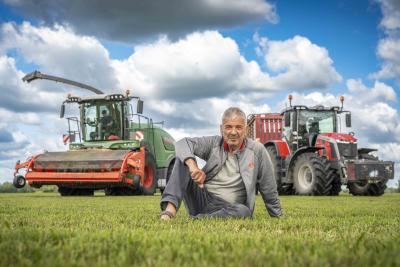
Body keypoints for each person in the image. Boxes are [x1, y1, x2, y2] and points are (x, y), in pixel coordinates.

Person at [160, 107, 282, 220]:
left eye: (238, 127)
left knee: (243, 211)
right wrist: (193, 166)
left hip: (230, 208)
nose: (233, 132)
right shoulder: (214, 143)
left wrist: (278, 216)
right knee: (182, 159)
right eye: (228, 127)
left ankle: (199, 219)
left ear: (246, 130)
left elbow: (268, 188)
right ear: (221, 129)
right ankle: (169, 212)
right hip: (202, 198)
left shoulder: (257, 151)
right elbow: (182, 143)